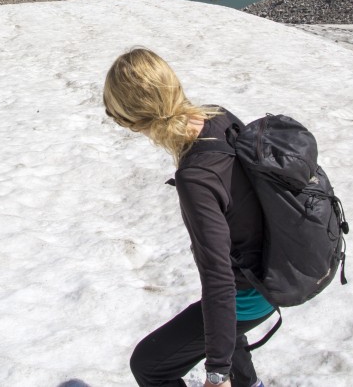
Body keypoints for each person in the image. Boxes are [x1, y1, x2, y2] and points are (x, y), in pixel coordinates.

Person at [103, 47, 276, 387]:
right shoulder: (218, 117)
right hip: (275, 266)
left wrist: (217, 372)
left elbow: (219, 281)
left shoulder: (196, 177)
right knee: (218, 321)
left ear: (133, 120)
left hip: (252, 291)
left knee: (150, 365)